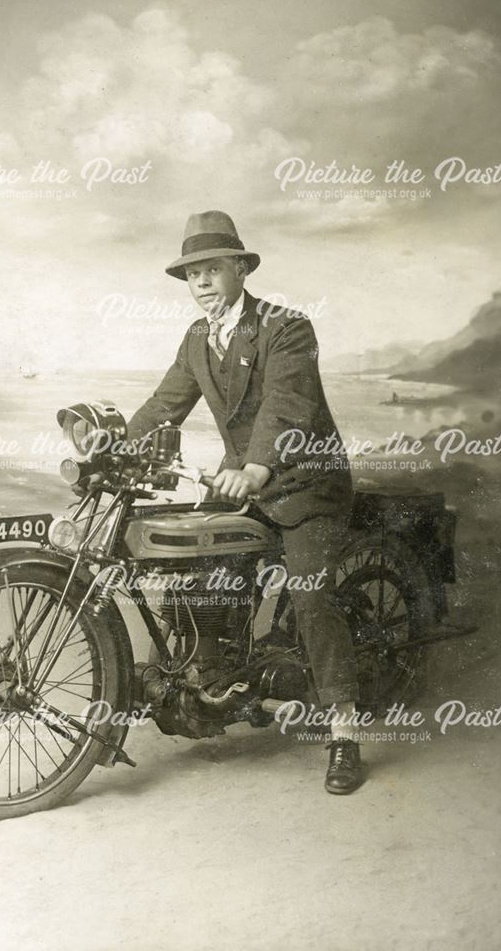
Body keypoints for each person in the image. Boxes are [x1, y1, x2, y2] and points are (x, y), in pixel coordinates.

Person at [127, 211, 364, 793]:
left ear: (240, 267)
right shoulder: (197, 338)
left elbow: (288, 405)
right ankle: (220, 682)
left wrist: (256, 466)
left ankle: (344, 733)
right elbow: (165, 404)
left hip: (305, 484)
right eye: (192, 274)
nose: (202, 282)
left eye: (212, 268)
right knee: (202, 573)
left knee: (311, 599)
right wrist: (113, 451)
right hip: (243, 485)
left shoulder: (286, 327)